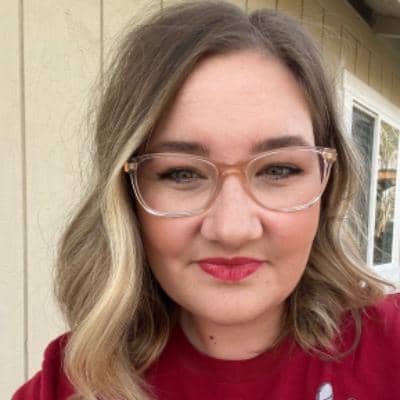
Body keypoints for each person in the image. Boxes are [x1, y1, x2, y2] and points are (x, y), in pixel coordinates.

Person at [13, 1, 400, 399]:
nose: (232, 230)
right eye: (183, 173)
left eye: (278, 170)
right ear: (126, 196)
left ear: (327, 182)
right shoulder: (71, 384)